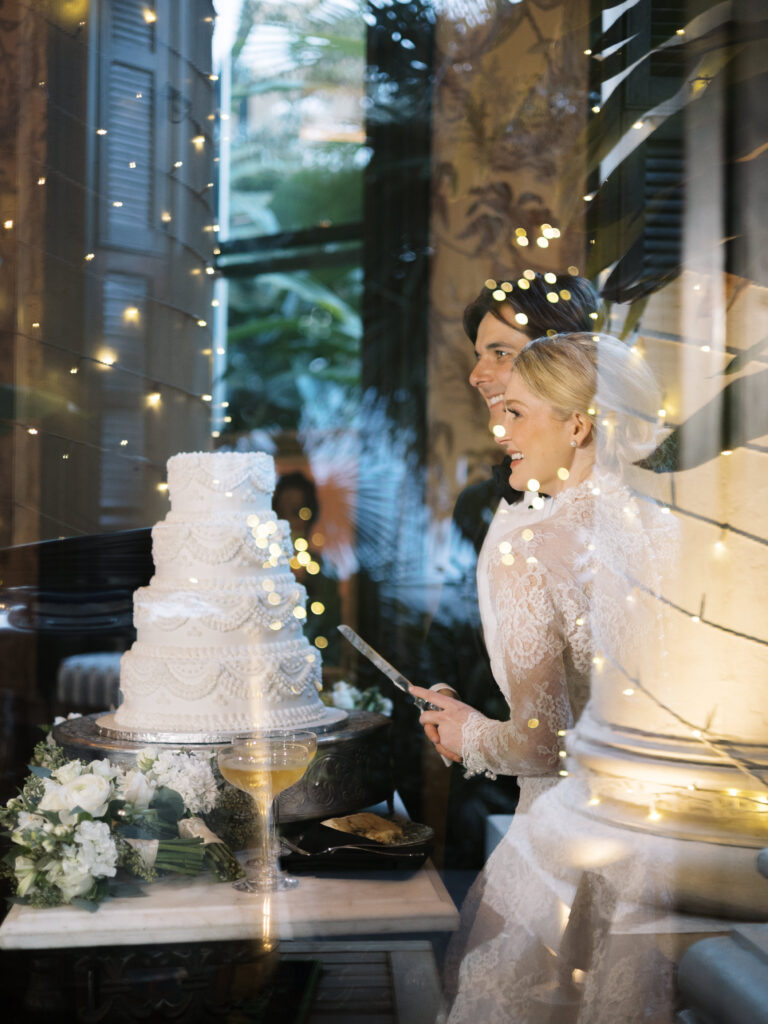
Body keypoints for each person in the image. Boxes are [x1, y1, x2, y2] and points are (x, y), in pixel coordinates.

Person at [411, 333, 671, 1022]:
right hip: (664, 846)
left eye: (518, 414)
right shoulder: (669, 531)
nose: (503, 431)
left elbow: (543, 745)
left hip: (571, 849)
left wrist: (465, 734)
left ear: (578, 424)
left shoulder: (533, 547)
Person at [421, 273, 600, 869]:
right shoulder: (482, 502)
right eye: (479, 356)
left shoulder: (624, 512)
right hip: (485, 783)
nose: (478, 374)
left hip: (590, 794)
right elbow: (451, 620)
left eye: (500, 352)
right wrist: (444, 700)